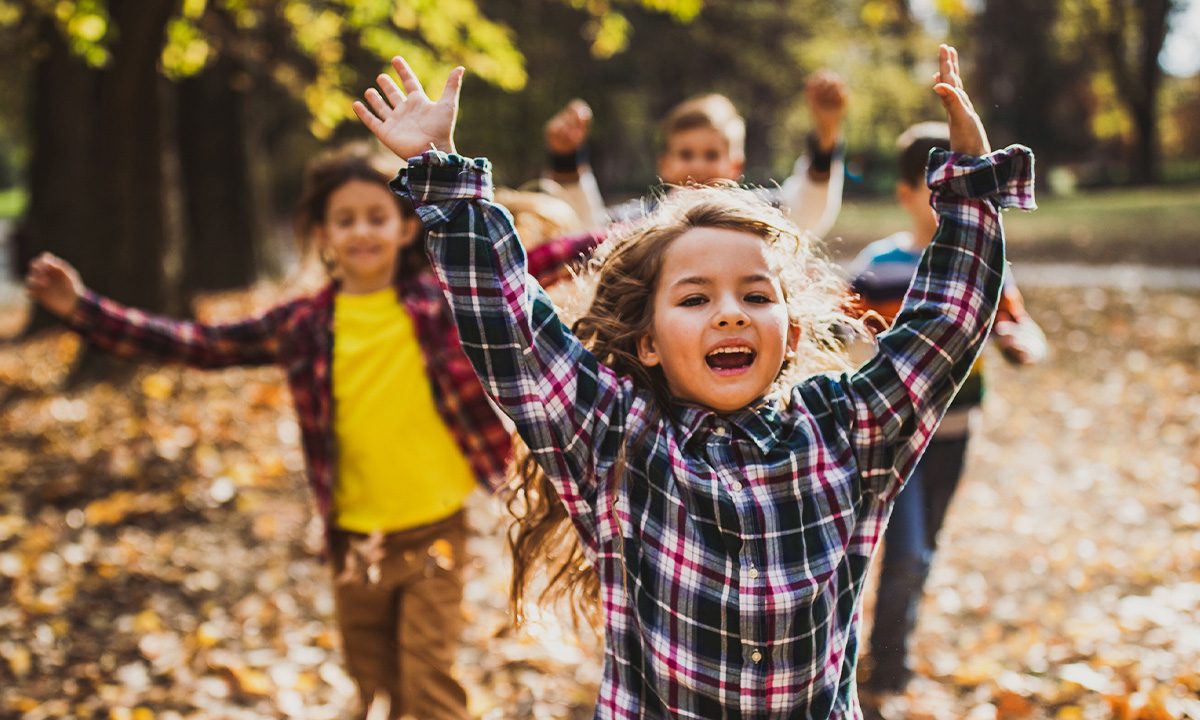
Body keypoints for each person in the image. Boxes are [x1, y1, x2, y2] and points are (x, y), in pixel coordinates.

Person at [353, 44, 1035, 719]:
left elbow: (942, 327)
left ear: (792, 333)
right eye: (695, 298)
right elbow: (513, 330)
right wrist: (442, 175)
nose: (730, 312)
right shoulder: (615, 439)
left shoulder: (846, 431)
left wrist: (972, 188)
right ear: (647, 342)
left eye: (756, 296)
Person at [23, 143, 602, 720]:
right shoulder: (304, 325)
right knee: (374, 680)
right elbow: (199, 345)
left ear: (405, 228)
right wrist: (84, 310)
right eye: (344, 220)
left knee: (429, 683)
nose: (361, 232)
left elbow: (530, 264)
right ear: (322, 236)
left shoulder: (438, 300)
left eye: (377, 217)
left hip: (437, 534)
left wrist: (622, 235)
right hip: (353, 538)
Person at [845, 121, 1048, 706]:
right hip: (898, 436)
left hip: (960, 431)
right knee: (903, 549)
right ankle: (887, 672)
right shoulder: (879, 263)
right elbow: (837, 324)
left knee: (923, 551)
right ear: (907, 193)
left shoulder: (984, 265)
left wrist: (1022, 343)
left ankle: (892, 651)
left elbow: (1017, 323)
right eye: (937, 192)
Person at [542, 72, 849, 237]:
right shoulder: (641, 221)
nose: (699, 165)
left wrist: (825, 136)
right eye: (686, 154)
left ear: (735, 164)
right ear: (663, 164)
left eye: (712, 154)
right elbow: (587, 232)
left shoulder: (758, 213)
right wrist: (566, 159)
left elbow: (807, 211)